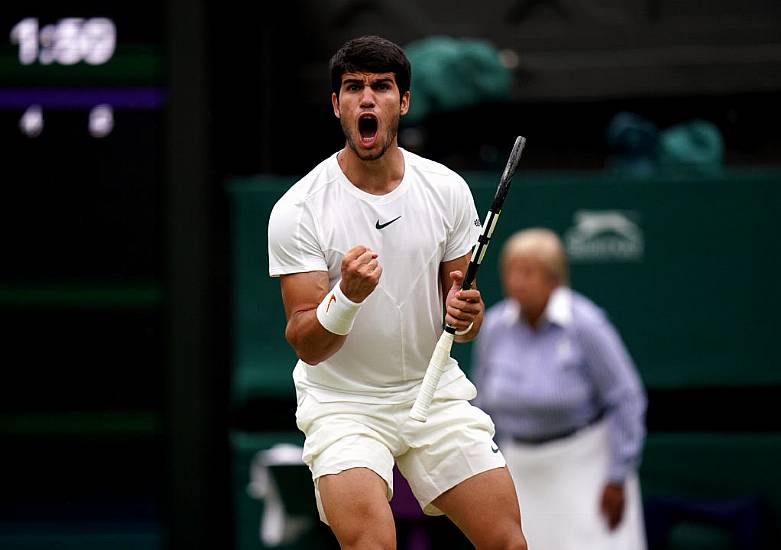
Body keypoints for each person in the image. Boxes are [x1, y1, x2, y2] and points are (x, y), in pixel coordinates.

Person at [267, 35, 527, 549]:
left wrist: (467, 313)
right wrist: (347, 297)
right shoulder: (297, 210)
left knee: (508, 542)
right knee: (372, 544)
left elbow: (466, 323)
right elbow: (305, 342)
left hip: (433, 391)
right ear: (336, 104)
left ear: (402, 103)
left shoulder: (447, 189)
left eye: (382, 87)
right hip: (342, 404)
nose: (367, 99)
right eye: (353, 87)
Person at [472, 227, 648, 550]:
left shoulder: (586, 323)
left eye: (528, 272)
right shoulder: (494, 326)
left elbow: (625, 397)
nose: (517, 281)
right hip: (519, 469)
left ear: (553, 278)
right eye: (510, 271)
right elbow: (482, 402)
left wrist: (618, 475)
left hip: (587, 468)